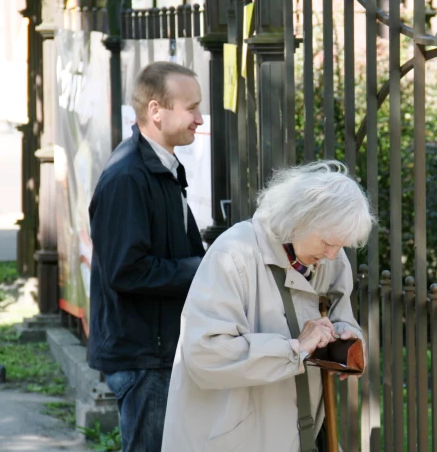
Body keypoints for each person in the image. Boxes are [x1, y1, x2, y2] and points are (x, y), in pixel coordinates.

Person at [161, 160, 375, 452]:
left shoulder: (330, 260)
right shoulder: (235, 254)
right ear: (300, 218)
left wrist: (348, 341)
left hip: (298, 432)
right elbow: (204, 354)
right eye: (327, 242)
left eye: (342, 245)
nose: (333, 254)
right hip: (235, 439)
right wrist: (295, 348)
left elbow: (340, 317)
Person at [87, 61, 206, 452]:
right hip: (144, 356)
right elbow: (128, 270)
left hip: (155, 351)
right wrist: (202, 270)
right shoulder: (128, 176)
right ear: (156, 110)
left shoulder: (157, 167)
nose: (199, 118)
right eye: (191, 108)